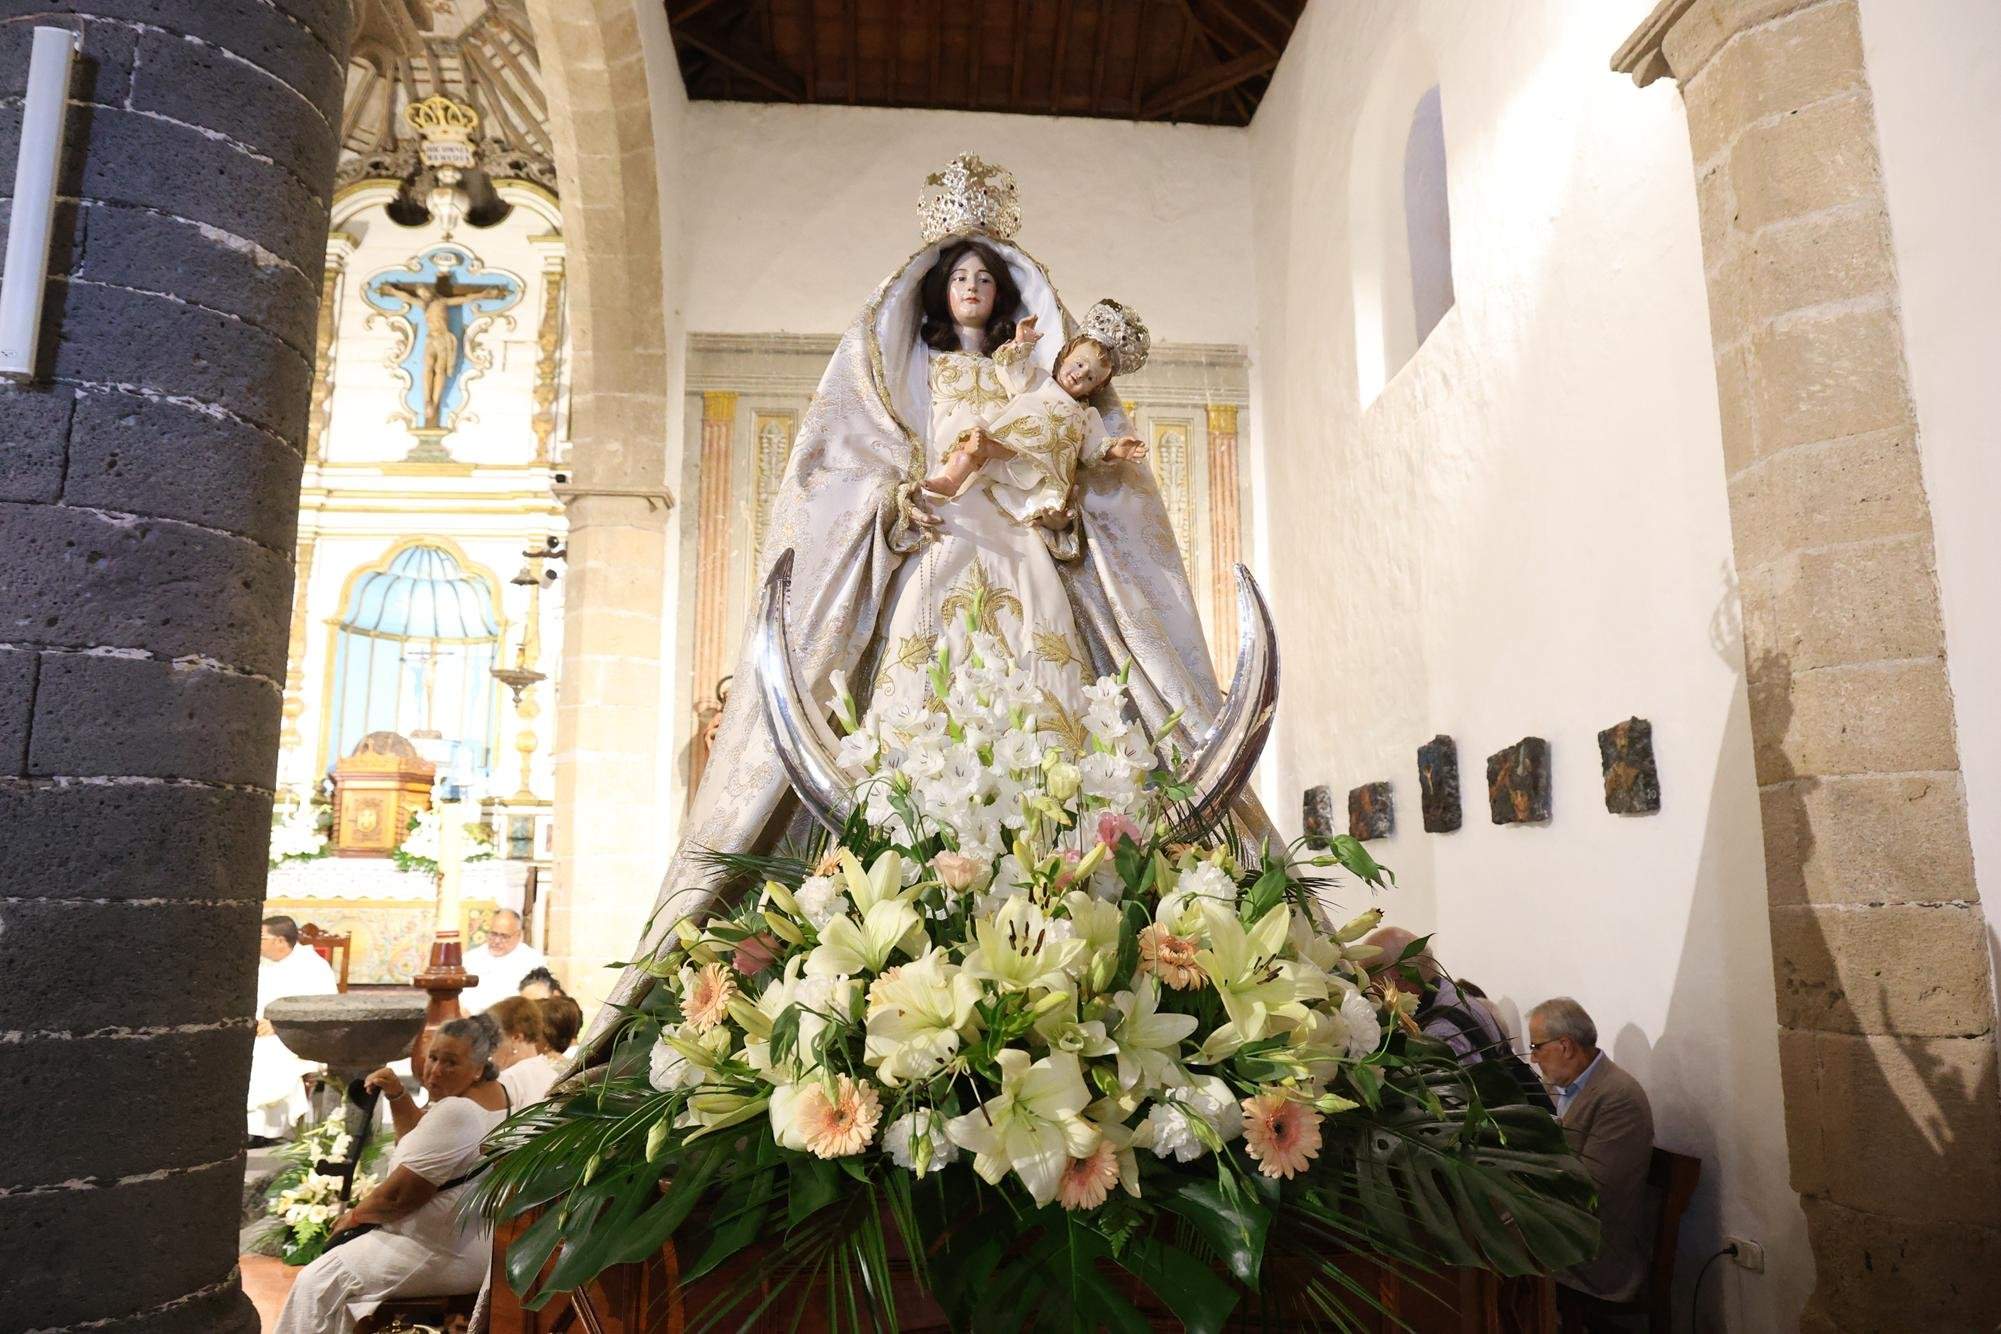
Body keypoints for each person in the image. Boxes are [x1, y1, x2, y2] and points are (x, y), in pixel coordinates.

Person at [598, 153, 1273, 1037]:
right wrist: (902, 502)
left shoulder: (1031, 373)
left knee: (1049, 692)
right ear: (932, 289)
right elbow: (842, 480)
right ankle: (911, 871)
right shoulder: (897, 372)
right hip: (938, 546)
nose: (971, 288)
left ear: (1006, 296)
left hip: (1021, 548)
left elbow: (1071, 468)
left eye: (985, 278)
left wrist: (1067, 503)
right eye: (958, 275)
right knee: (920, 695)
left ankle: (1067, 865)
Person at [273, 1016, 511, 1334]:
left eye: (450, 1063)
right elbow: (421, 1141)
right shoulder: (492, 1100)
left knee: (320, 1280)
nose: (435, 1070)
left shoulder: (458, 1111)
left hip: (435, 1248)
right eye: (434, 1057)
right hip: (464, 1245)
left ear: (479, 1068)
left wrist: (354, 1217)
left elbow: (399, 1197)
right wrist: (398, 1095)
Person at [919, 307, 1151, 521]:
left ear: (1095, 389)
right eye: (1079, 364)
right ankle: (950, 480)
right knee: (968, 448)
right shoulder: (1037, 379)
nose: (1080, 375)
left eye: (1090, 377)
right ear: (1064, 356)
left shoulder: (1085, 414)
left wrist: (1116, 450)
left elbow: (1094, 446)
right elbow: (1011, 374)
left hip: (1031, 468)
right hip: (1001, 444)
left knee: (995, 449)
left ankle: (988, 450)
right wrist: (1021, 343)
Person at [1528, 997, 1656, 1305]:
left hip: (1595, 1254)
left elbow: (1590, 1192)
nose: (1533, 1059)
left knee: (1487, 1250)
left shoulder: (1617, 1097)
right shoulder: (1567, 1088)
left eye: (1536, 1047)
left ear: (1566, 1046)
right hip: (1561, 1229)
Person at [247, 915, 339, 1141]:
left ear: (280, 941)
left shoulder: (312, 967)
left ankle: (265, 1130)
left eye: (261, 937)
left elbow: (322, 1010)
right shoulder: (258, 963)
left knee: (263, 1056)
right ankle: (246, 1126)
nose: (256, 941)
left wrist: (279, 1026)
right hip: (259, 1031)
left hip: (298, 1036)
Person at [491, 994, 584, 1107]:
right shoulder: (552, 1074)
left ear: (515, 1038)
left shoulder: (508, 1080)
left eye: (494, 1039)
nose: (490, 1048)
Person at [458, 909, 544, 1014]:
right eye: (493, 934)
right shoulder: (470, 958)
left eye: (504, 936)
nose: (497, 941)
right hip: (471, 1022)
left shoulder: (533, 961)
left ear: (518, 935)